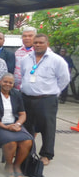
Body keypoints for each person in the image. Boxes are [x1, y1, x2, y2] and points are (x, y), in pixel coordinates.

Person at [20, 34, 70, 165]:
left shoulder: (56, 60)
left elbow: (64, 79)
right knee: (27, 126)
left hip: (46, 99)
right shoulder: (26, 59)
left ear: (47, 44)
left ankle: (46, 154)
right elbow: (23, 75)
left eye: (41, 42)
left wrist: (54, 92)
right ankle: (27, 151)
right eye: (35, 42)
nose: (37, 45)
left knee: (47, 127)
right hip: (27, 98)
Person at [0, 73, 33, 177]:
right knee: (11, 142)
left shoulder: (17, 94)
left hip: (14, 124)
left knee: (28, 141)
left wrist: (18, 124)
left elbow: (23, 114)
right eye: (5, 81)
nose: (7, 84)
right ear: (0, 82)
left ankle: (17, 165)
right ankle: (9, 165)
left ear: (13, 84)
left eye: (10, 82)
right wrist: (5, 127)